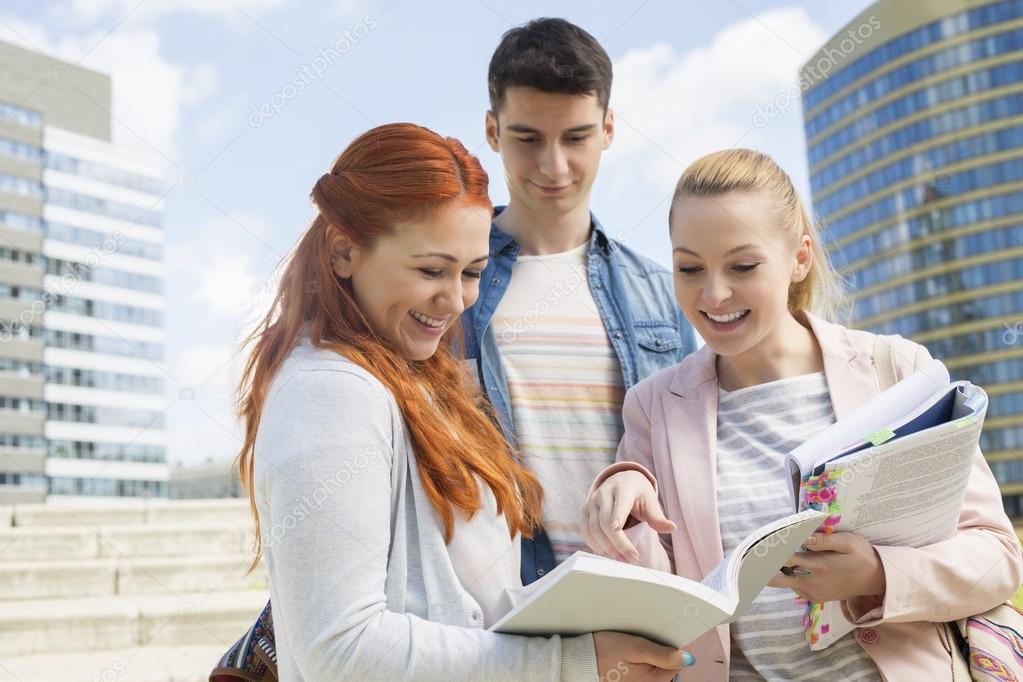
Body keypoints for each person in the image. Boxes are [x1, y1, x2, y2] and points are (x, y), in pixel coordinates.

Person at [235, 122, 691, 681]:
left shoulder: (411, 377)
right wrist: (573, 663)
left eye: (472, 272)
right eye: (431, 270)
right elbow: (340, 649)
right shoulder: (330, 393)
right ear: (343, 252)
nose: (455, 301)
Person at [581, 148, 1023, 680]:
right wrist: (623, 500)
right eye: (689, 268)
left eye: (743, 266)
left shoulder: (896, 371)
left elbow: (998, 558)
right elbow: (655, 603)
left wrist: (880, 574)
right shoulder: (654, 407)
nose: (714, 293)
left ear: (799, 259)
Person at [462, 17, 698, 586]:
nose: (553, 165)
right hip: (501, 616)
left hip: (639, 598)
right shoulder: (447, 288)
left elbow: (689, 459)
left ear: (609, 128)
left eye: (575, 137)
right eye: (527, 139)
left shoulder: (663, 294)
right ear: (492, 132)